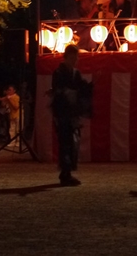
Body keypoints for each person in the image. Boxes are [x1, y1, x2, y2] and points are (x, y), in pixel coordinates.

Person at [51, 44, 90, 186]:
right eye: (73, 57)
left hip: (72, 113)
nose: (75, 60)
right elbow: (57, 90)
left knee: (73, 143)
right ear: (66, 57)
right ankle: (65, 173)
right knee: (65, 143)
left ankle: (67, 172)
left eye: (77, 57)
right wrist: (66, 92)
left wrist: (92, 84)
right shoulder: (58, 73)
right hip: (62, 112)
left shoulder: (76, 73)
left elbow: (82, 88)